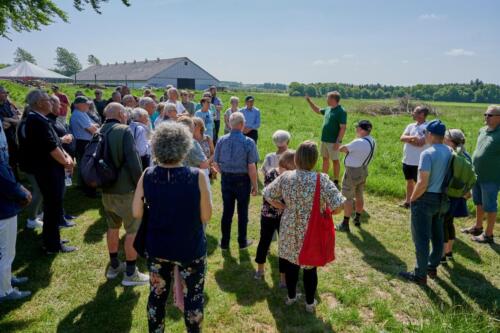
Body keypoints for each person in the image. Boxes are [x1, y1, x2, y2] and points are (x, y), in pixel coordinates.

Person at [132, 121, 212, 333]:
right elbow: (206, 216)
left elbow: (136, 212)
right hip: (190, 247)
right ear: (185, 146)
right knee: (193, 296)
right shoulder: (197, 176)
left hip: (158, 248)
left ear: (156, 146)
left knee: (157, 296)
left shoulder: (147, 174)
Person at [263, 141, 345, 312]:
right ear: (314, 160)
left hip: (288, 226)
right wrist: (326, 212)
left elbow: (268, 193)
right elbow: (339, 205)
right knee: (310, 268)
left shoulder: (286, 177)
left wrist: (283, 207)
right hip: (312, 229)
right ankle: (309, 303)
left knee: (291, 264)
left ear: (297, 158)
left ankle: (291, 297)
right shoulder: (321, 179)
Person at [100, 103, 149, 286]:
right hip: (126, 190)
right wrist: (142, 185)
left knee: (112, 227)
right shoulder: (124, 130)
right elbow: (134, 161)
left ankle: (114, 266)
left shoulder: (99, 129)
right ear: (121, 114)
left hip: (106, 188)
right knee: (132, 230)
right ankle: (130, 272)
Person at [399, 119, 452, 285]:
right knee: (438, 235)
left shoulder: (427, 153)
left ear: (429, 134)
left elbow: (422, 182)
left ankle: (420, 275)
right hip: (443, 199)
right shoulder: (450, 151)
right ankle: (431, 267)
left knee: (421, 239)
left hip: (426, 199)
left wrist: (413, 199)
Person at [24, 89, 76, 253]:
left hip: (51, 170)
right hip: (48, 171)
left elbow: (56, 143)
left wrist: (66, 157)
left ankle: (53, 238)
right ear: (39, 103)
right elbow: (51, 148)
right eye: (48, 100)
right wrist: (66, 162)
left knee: (53, 207)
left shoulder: (40, 119)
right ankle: (52, 244)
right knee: (52, 207)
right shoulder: (36, 121)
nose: (52, 102)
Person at [214, 112, 259, 249]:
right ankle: (242, 241)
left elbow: (215, 163)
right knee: (242, 211)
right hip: (242, 180)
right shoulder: (248, 142)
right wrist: (255, 185)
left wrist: (224, 173)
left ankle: (224, 242)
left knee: (227, 211)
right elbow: (251, 166)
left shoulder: (221, 140)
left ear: (230, 124)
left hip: (227, 178)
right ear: (241, 124)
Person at [0, 118, 32, 301]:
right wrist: (21, 193)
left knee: (3, 251)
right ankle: (5, 290)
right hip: (3, 211)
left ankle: (5, 279)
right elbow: (5, 181)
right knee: (6, 251)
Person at [254, 150, 296, 287]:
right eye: (291, 168)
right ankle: (260, 269)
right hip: (269, 214)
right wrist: (284, 207)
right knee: (264, 241)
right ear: (285, 164)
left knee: (283, 246)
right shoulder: (271, 173)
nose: (293, 170)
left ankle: (283, 277)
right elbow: (268, 197)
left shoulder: (293, 176)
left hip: (284, 217)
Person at [462, 105, 500, 244]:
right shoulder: (482, 130)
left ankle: (488, 235)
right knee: (478, 202)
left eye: (490, 115)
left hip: (491, 177)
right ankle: (478, 227)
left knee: (490, 205)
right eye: (485, 114)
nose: (486, 117)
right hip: (476, 175)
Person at [336, 120, 376, 232]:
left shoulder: (358, 142)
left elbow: (342, 149)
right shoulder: (372, 140)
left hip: (352, 172)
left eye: (357, 128)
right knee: (359, 194)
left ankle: (345, 223)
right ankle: (357, 218)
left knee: (347, 197)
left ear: (361, 129)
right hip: (363, 170)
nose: (356, 130)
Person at [305, 91, 346, 187]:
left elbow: (343, 127)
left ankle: (336, 180)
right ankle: (324, 178)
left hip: (333, 141)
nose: (326, 100)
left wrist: (338, 142)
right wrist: (309, 101)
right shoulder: (328, 109)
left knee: (335, 160)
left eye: (327, 98)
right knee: (325, 159)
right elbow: (317, 110)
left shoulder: (341, 111)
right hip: (324, 140)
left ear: (333, 99)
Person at [441, 129, 470, 264]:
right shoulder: (466, 155)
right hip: (459, 196)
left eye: (446, 137)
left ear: (451, 141)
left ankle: (441, 255)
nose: (443, 139)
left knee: (442, 224)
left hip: (448, 195)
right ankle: (449, 252)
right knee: (450, 222)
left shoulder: (450, 155)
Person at [48, 95, 76, 228]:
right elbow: (51, 143)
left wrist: (68, 135)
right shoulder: (47, 121)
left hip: (65, 157)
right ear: (50, 104)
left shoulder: (55, 119)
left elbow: (64, 130)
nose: (60, 106)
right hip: (58, 161)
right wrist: (63, 139)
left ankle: (62, 213)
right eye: (58, 104)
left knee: (63, 189)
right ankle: (59, 218)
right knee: (57, 192)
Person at [17, 109, 44, 229]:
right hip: (31, 164)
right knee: (38, 191)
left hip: (32, 163)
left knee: (40, 189)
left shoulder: (25, 123)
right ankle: (31, 219)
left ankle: (38, 213)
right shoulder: (26, 125)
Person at [399, 106, 430, 208]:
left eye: (415, 112)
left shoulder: (428, 127)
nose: (412, 113)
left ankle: (419, 203)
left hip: (419, 161)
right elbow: (402, 138)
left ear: (421, 114)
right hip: (407, 160)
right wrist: (413, 138)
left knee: (419, 183)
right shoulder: (410, 126)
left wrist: (409, 140)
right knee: (409, 181)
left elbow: (421, 143)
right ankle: (408, 202)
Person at [69, 96, 99, 197]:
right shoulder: (79, 114)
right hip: (83, 143)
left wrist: (94, 126)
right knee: (88, 166)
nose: (88, 105)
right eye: (86, 104)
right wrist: (94, 127)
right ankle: (89, 190)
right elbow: (93, 129)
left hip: (84, 142)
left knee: (84, 165)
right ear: (78, 105)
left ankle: (83, 186)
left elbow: (95, 125)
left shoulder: (82, 113)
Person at [0, 86, 21, 179]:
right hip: (3, 139)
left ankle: (16, 178)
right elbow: (4, 125)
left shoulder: (7, 104)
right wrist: (11, 120)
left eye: (6, 92)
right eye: (4, 92)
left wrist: (8, 119)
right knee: (5, 161)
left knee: (14, 159)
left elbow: (17, 119)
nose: (6, 94)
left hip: (11, 136)